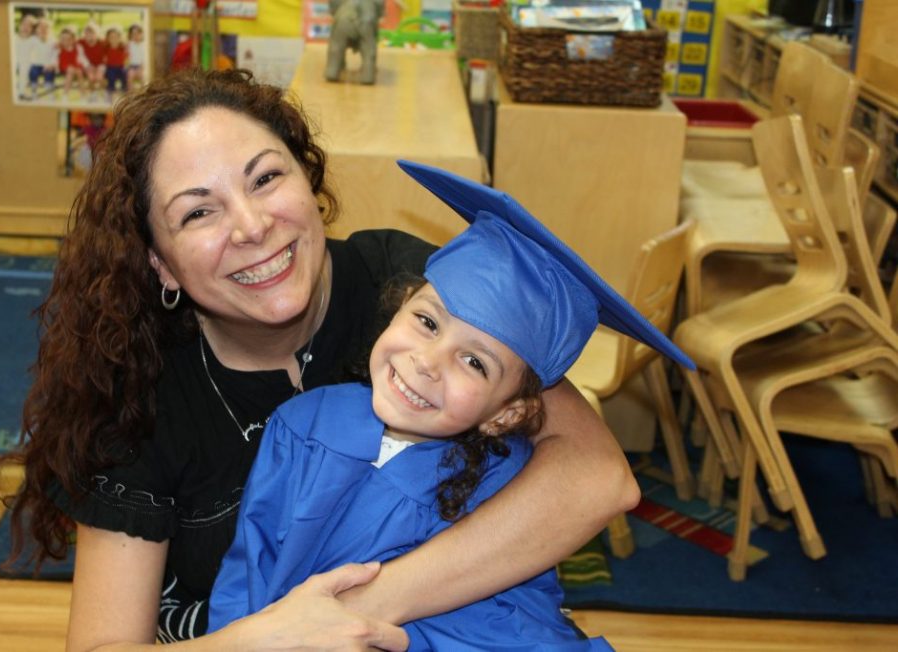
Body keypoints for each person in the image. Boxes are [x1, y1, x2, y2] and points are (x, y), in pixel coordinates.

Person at [1, 68, 639, 649]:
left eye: (266, 178)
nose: (251, 226)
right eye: (199, 211)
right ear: (160, 263)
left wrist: (355, 611)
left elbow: (597, 476)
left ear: (310, 180)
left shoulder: (423, 301)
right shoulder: (140, 388)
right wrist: (274, 638)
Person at [208, 161, 695, 648]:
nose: (428, 363)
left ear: (508, 414)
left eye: (474, 362)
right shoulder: (301, 424)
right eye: (427, 322)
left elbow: (510, 626)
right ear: (398, 307)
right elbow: (247, 568)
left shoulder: (510, 490)